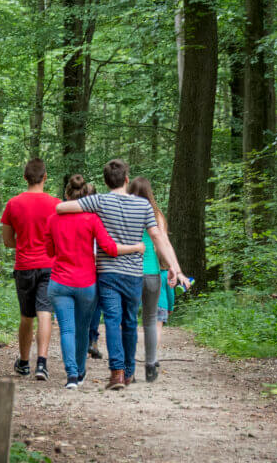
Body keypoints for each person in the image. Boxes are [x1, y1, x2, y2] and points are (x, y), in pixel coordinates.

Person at [56, 159, 182, 390]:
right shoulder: (143, 206)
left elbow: (62, 207)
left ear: (105, 181)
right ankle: (129, 372)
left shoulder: (99, 200)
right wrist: (173, 265)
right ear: (126, 179)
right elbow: (157, 237)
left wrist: (79, 206)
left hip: (108, 272)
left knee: (112, 321)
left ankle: (116, 373)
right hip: (134, 274)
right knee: (129, 322)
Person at [43, 176, 144, 389]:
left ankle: (72, 376)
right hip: (86, 284)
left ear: (67, 196)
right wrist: (136, 247)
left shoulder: (53, 219)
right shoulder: (92, 220)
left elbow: (50, 251)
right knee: (81, 330)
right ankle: (80, 372)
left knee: (67, 330)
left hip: (59, 282)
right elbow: (110, 248)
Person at [1, 158, 61, 380]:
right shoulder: (56, 204)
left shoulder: (13, 204)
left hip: (24, 266)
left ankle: (24, 363)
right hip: (49, 266)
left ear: (25, 177)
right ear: (45, 177)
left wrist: (25, 243)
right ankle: (42, 364)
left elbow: (7, 241)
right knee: (45, 313)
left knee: (27, 316)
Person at [128, 176, 188, 383]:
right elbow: (164, 242)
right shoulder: (155, 214)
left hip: (127, 272)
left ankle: (128, 368)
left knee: (128, 320)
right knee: (151, 320)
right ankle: (151, 365)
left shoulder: (123, 211)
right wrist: (174, 269)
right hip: (152, 272)